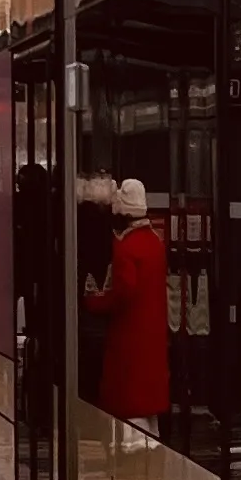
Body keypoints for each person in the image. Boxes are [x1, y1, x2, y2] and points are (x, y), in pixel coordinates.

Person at [85, 178, 171, 424]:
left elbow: (123, 293)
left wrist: (94, 301)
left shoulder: (126, 248)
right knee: (148, 408)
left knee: (130, 408)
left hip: (129, 338)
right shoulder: (155, 243)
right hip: (152, 337)